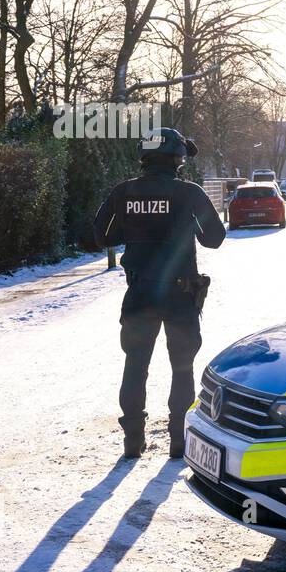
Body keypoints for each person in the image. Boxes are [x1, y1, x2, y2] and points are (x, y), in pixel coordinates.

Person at [92, 127, 226, 459]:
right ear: (178, 158)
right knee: (182, 368)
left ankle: (132, 442)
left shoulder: (123, 192)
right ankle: (179, 442)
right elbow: (214, 238)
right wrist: (188, 224)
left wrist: (131, 226)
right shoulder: (189, 193)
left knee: (135, 366)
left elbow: (99, 237)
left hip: (140, 294)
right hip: (180, 296)